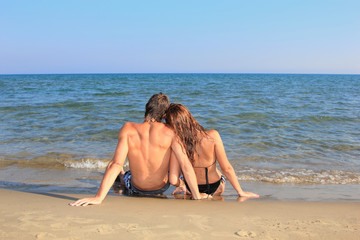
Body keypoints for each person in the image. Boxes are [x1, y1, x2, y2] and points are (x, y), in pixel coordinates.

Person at [70, 93, 205, 207]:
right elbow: (186, 165)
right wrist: (196, 196)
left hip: (135, 187)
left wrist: (98, 197)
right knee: (177, 165)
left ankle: (122, 176)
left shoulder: (128, 129)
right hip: (161, 187)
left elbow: (116, 164)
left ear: (147, 108)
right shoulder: (171, 132)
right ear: (164, 114)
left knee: (124, 174)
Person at [166, 103, 259, 198]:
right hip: (215, 188)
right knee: (216, 169)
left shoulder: (177, 143)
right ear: (189, 117)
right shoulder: (213, 136)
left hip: (191, 188)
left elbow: (173, 180)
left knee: (185, 170)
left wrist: (182, 184)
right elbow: (227, 168)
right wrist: (240, 192)